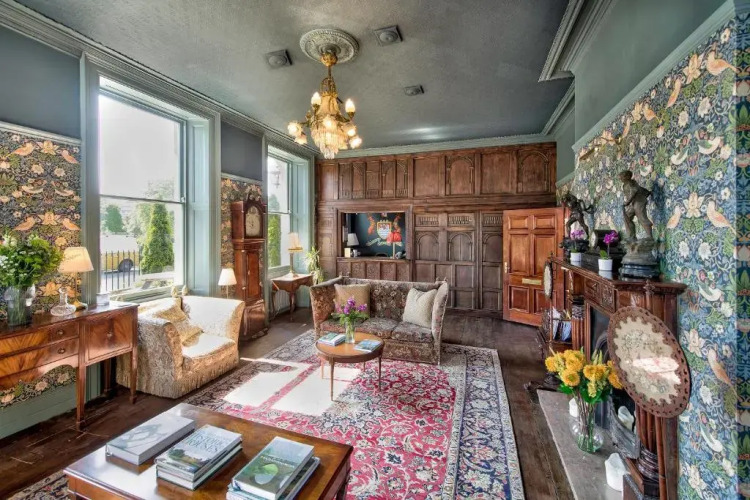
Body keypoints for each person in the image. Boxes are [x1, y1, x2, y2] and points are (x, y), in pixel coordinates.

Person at [619, 170, 653, 241]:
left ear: (628, 176)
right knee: (627, 216)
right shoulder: (625, 185)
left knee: (642, 217)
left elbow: (634, 191)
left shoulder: (631, 183)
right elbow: (640, 188)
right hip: (633, 203)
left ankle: (650, 236)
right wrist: (647, 192)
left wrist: (627, 202)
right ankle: (632, 236)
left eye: (622, 177)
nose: (620, 178)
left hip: (639, 202)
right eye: (620, 177)